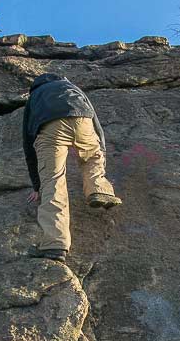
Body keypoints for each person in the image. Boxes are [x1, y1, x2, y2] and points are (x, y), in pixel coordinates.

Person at [22, 72, 122, 261]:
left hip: (51, 127)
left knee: (53, 181)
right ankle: (99, 189)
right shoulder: (73, 88)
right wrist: (101, 153)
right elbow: (98, 129)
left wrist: (37, 185)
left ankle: (55, 244)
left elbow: (28, 143)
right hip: (83, 120)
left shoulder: (35, 95)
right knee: (92, 157)